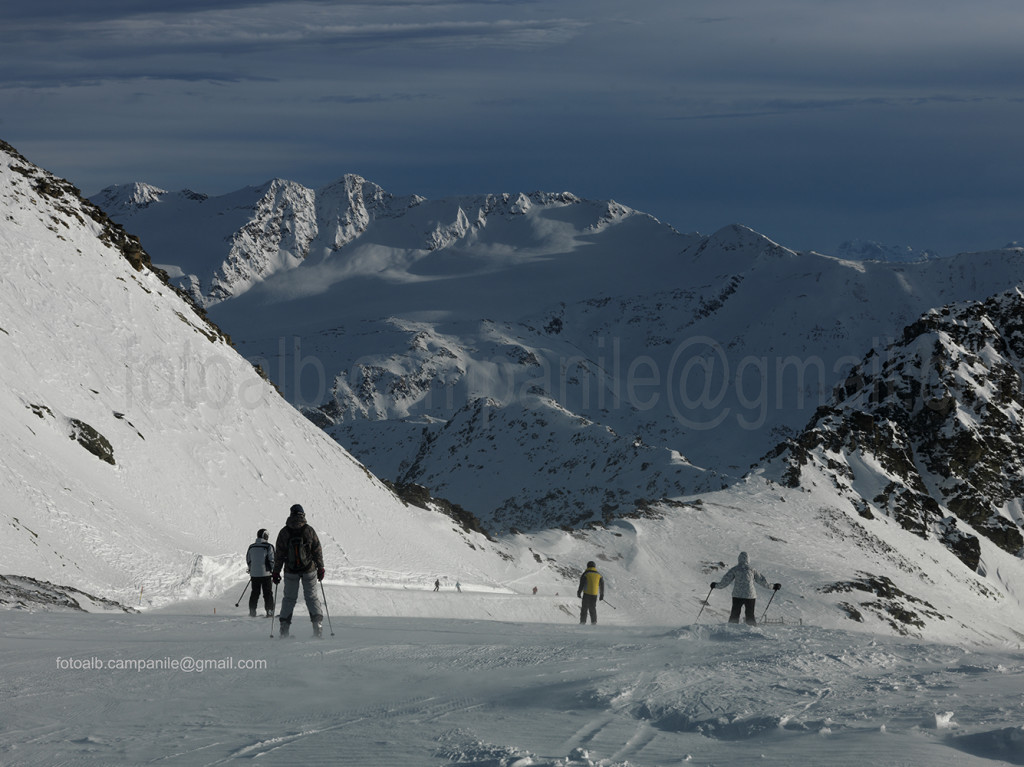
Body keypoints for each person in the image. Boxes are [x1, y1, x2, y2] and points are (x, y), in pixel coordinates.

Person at [271, 504, 325, 638]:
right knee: (312, 597)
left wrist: (276, 572)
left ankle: (284, 630)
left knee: (289, 599)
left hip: (290, 570)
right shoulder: (309, 530)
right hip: (309, 570)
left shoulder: (284, 531)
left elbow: (279, 554)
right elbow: (317, 550)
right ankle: (317, 628)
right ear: (303, 514)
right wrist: (321, 567)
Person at [711, 552, 780, 625]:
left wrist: (715, 585)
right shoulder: (752, 570)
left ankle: (731, 629)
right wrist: (773, 586)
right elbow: (762, 581)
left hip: (737, 595)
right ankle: (751, 630)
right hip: (750, 596)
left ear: (739, 559)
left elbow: (725, 581)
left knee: (735, 614)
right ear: (748, 559)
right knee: (750, 615)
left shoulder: (735, 569)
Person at [245, 528, 275, 617]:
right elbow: (272, 560)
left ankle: (252, 611)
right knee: (268, 593)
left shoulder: (251, 546)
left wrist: (251, 569)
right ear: (265, 536)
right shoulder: (268, 546)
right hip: (266, 574)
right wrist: (274, 571)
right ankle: (269, 612)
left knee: (255, 593)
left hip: (254, 574)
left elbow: (248, 559)